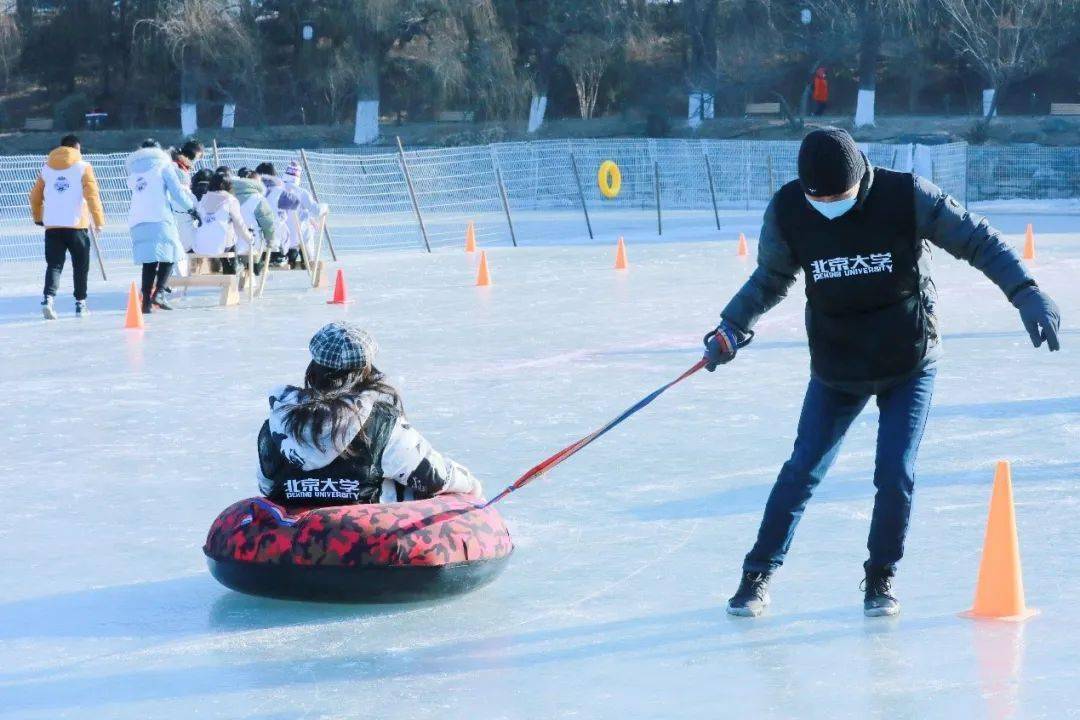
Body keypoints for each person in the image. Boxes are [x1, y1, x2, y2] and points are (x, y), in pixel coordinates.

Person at [704, 127, 1060, 618]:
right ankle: (756, 574)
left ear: (861, 179)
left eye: (839, 197)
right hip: (838, 362)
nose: (829, 207)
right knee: (802, 470)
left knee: (894, 472)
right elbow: (770, 277)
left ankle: (880, 577)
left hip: (908, 357)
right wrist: (732, 327)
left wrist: (1024, 291)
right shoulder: (789, 210)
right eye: (818, 199)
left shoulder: (906, 195)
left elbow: (977, 239)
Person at [257, 322, 483, 505]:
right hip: (367, 536)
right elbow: (434, 477)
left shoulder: (278, 422)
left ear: (314, 368)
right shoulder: (381, 424)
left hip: (296, 538)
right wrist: (472, 487)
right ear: (365, 371)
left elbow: (267, 485)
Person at [28, 133, 106, 319]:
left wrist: (38, 217)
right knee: (81, 265)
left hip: (53, 225)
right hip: (76, 225)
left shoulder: (47, 168)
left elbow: (35, 196)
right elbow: (92, 196)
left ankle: (48, 299)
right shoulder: (84, 167)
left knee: (54, 265)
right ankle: (80, 303)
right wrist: (98, 221)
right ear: (76, 148)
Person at [126, 139, 197, 314]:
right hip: (160, 217)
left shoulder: (134, 169)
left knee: (149, 261)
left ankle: (146, 303)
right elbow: (177, 192)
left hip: (137, 219)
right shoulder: (164, 165)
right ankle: (159, 293)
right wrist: (191, 208)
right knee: (171, 254)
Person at [193, 171, 252, 271]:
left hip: (199, 246)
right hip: (221, 246)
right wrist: (249, 238)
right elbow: (239, 225)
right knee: (232, 232)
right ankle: (234, 265)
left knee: (218, 228)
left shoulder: (203, 199)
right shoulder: (230, 200)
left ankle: (225, 266)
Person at [280, 161, 327, 269]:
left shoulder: (276, 191)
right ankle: (307, 258)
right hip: (299, 237)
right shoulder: (301, 192)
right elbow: (316, 210)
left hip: (280, 239)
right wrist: (325, 207)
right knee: (307, 229)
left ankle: (291, 256)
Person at [231, 167, 277, 274]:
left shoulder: (229, 197)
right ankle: (256, 265)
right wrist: (270, 239)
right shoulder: (258, 199)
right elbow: (268, 223)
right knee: (256, 236)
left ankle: (243, 266)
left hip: (231, 244)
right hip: (252, 242)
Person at [255, 161, 298, 268]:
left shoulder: (253, 191)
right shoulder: (279, 191)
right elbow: (296, 202)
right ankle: (279, 256)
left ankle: (264, 257)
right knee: (284, 228)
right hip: (276, 238)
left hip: (256, 239)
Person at [171, 138, 204, 253]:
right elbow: (181, 192)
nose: (196, 162)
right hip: (177, 212)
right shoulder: (178, 169)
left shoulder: (181, 167)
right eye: (198, 158)